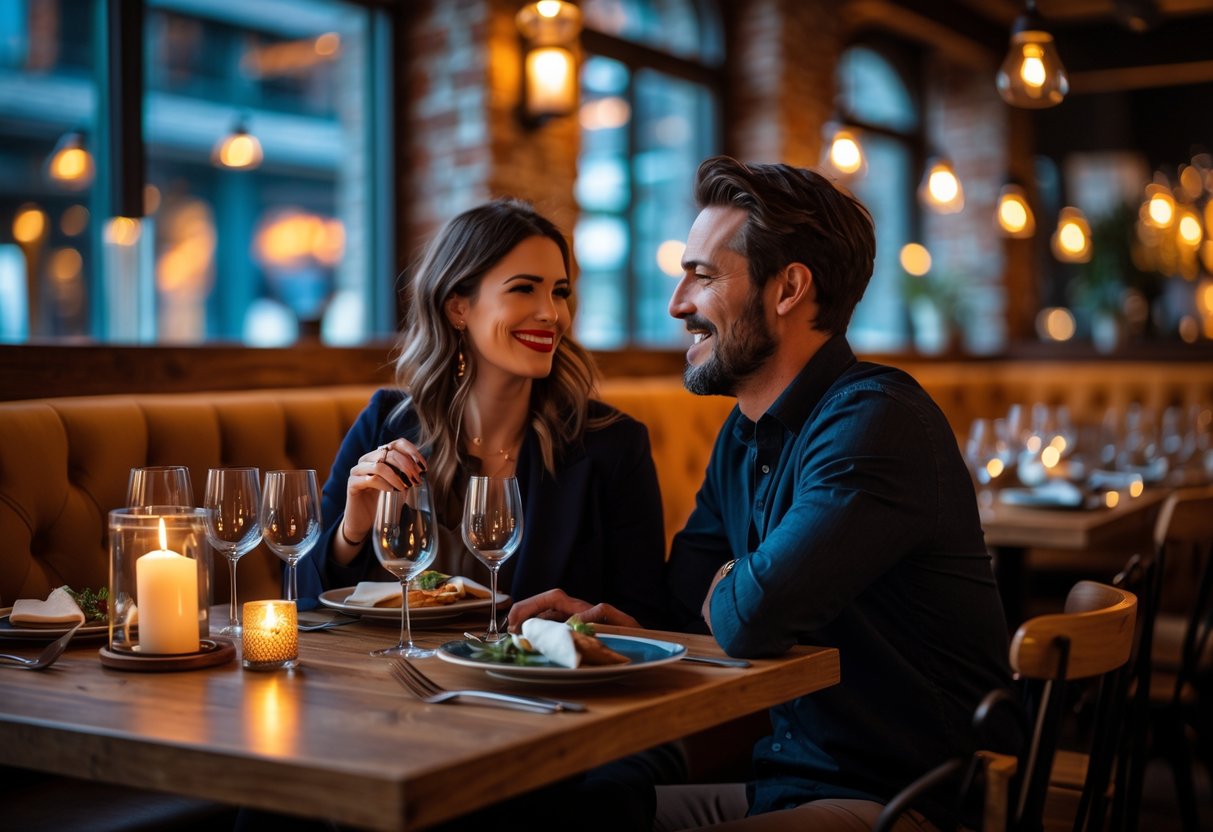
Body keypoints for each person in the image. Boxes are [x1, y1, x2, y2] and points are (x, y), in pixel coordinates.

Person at [509, 157, 1015, 831]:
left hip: (907, 801)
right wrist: (618, 632)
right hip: (783, 782)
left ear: (788, 288)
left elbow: (745, 618)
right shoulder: (743, 435)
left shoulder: (877, 421)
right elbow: (688, 613)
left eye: (702, 275)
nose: (676, 304)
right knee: (563, 815)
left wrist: (737, 592)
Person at [296, 198, 667, 633]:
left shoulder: (613, 444)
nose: (552, 313)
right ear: (458, 308)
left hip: (535, 692)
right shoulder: (385, 422)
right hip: (394, 684)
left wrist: (585, 623)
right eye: (524, 288)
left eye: (560, 292)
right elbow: (304, 599)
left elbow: (649, 618)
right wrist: (353, 528)